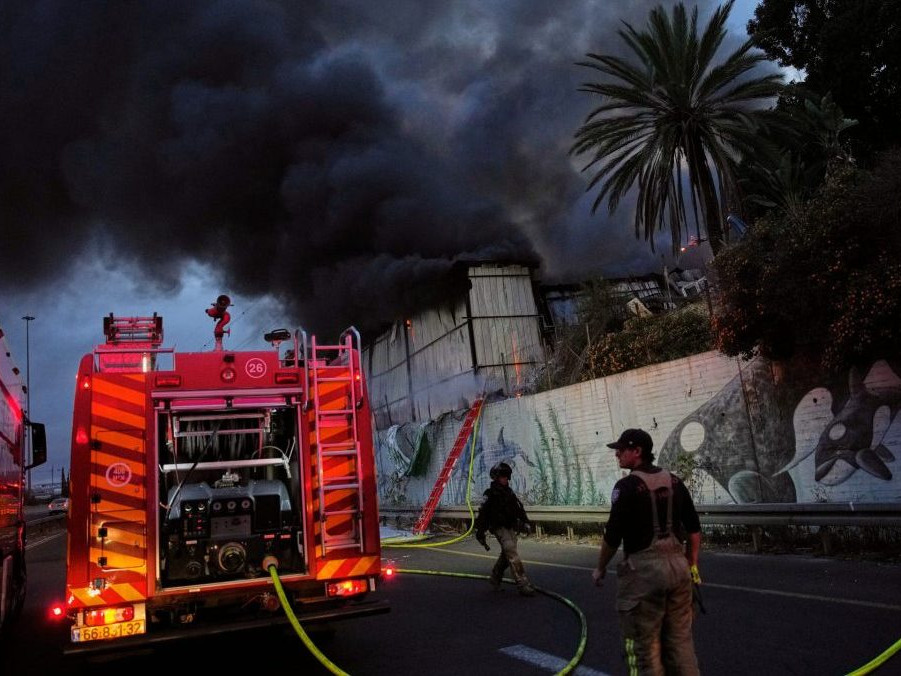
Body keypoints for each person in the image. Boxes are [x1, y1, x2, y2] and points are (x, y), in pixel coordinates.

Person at [593, 428, 701, 675]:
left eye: (621, 449)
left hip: (644, 574)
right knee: (681, 645)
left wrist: (600, 568)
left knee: (644, 650)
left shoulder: (627, 487)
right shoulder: (675, 481)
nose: (617, 454)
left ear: (637, 451)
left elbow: (612, 536)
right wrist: (692, 565)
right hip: (679, 571)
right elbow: (694, 529)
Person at [474, 462, 535, 596]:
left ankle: (495, 577)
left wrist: (525, 522)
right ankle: (523, 584)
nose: (505, 479)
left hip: (510, 526)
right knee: (512, 553)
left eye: (507, 476)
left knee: (507, 555)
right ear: (496, 477)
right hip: (498, 527)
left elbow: (518, 509)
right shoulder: (490, 494)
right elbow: (483, 514)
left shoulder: (509, 492)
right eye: (502, 476)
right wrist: (480, 532)